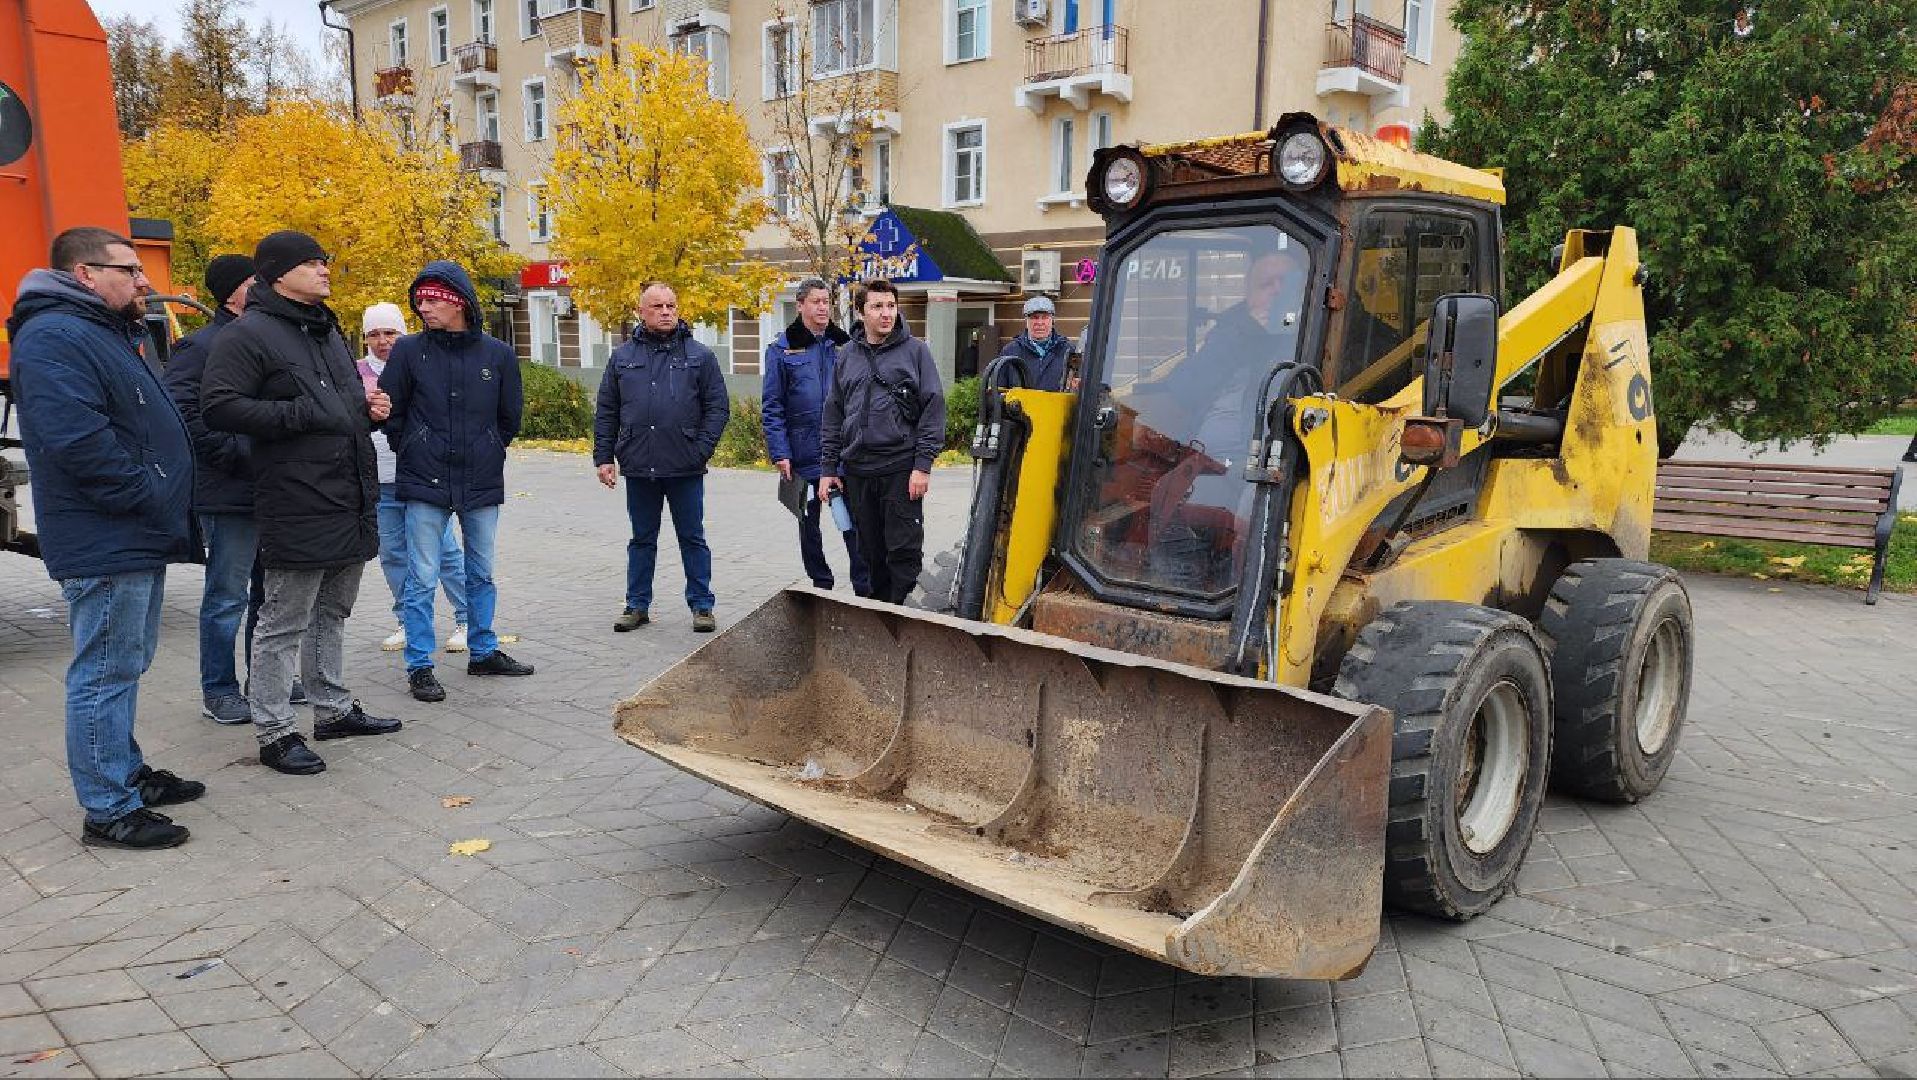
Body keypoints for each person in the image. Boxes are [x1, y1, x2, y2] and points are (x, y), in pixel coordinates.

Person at [6, 226, 206, 848]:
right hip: (109, 532)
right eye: (130, 270)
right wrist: (147, 492)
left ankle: (125, 771)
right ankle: (108, 808)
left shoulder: (100, 330)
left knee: (125, 662)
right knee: (103, 672)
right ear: (85, 274)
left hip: (132, 529)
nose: (144, 281)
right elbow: (77, 441)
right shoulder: (55, 336)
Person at [202, 230, 401, 775]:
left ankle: (332, 709)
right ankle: (274, 730)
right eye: (311, 262)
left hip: (349, 492)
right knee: (283, 620)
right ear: (277, 274)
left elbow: (339, 408)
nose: (324, 269)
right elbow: (218, 407)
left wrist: (368, 409)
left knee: (332, 611)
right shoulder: (248, 334)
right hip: (295, 497)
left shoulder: (326, 328)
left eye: (323, 260)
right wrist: (297, 415)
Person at [378, 262, 534, 701]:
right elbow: (391, 411)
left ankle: (483, 651)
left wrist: (489, 447)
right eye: (420, 301)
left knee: (480, 572)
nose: (423, 307)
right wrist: (412, 446)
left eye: (432, 300)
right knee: (421, 577)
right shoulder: (408, 351)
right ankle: (420, 665)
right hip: (423, 480)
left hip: (480, 479)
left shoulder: (497, 355)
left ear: (458, 302)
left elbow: (509, 417)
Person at [594, 281, 729, 633]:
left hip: (686, 466)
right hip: (640, 464)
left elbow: (718, 407)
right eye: (658, 306)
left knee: (692, 537)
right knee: (642, 539)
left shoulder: (700, 356)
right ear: (641, 312)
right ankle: (637, 605)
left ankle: (702, 605)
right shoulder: (623, 357)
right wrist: (604, 457)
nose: (666, 312)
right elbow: (607, 410)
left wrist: (700, 449)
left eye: (671, 305)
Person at [161, 253, 258, 726]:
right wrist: (234, 452)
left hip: (274, 490)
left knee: (272, 593)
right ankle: (219, 689)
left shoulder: (267, 338)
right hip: (228, 491)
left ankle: (267, 678)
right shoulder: (199, 347)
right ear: (232, 293)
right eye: (254, 281)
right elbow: (181, 411)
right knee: (227, 596)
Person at [819, 279, 946, 605]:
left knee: (903, 555)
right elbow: (834, 413)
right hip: (858, 471)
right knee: (870, 556)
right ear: (861, 312)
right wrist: (829, 468)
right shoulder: (847, 356)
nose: (886, 313)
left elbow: (933, 408)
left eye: (891, 305)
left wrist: (922, 466)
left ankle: (905, 622)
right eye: (877, 307)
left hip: (900, 470)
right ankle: (879, 619)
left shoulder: (916, 352)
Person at [356, 301, 471, 657]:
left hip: (423, 477)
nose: (382, 341)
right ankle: (408, 620)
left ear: (403, 333)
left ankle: (468, 619)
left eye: (390, 332)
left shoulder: (422, 363)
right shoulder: (355, 373)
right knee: (393, 554)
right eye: (374, 334)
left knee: (445, 552)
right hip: (380, 480)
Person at [762, 279, 871, 596]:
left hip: (845, 453)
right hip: (803, 454)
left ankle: (863, 587)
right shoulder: (782, 349)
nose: (823, 307)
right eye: (816, 302)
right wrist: (780, 451)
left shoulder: (846, 345)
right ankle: (821, 584)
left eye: (827, 301)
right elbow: (773, 406)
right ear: (800, 306)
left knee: (853, 523)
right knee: (809, 525)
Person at [996, 294, 1075, 392]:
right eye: (1035, 317)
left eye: (1045, 317)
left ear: (1053, 320)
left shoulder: (1068, 350)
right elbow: (998, 392)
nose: (1040, 323)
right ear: (1026, 321)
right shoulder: (1010, 351)